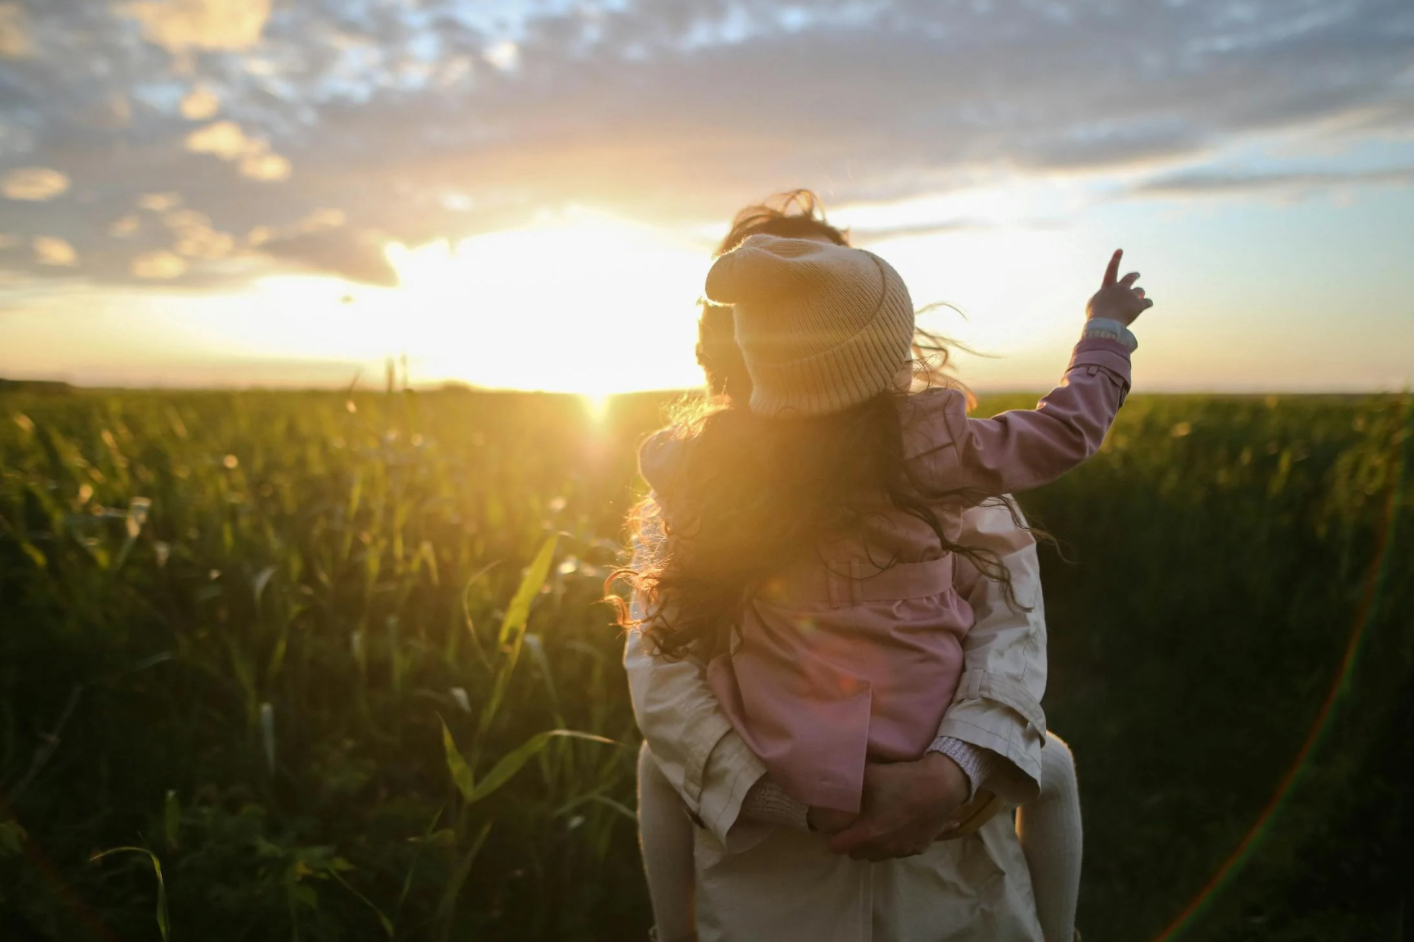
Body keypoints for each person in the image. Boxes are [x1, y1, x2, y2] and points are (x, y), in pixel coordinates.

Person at [619, 192, 1147, 941]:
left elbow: (1010, 631)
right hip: (769, 880)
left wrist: (950, 773)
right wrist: (1104, 335)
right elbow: (663, 677)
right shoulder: (939, 458)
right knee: (1050, 764)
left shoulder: (707, 474)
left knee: (655, 770)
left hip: (956, 878)